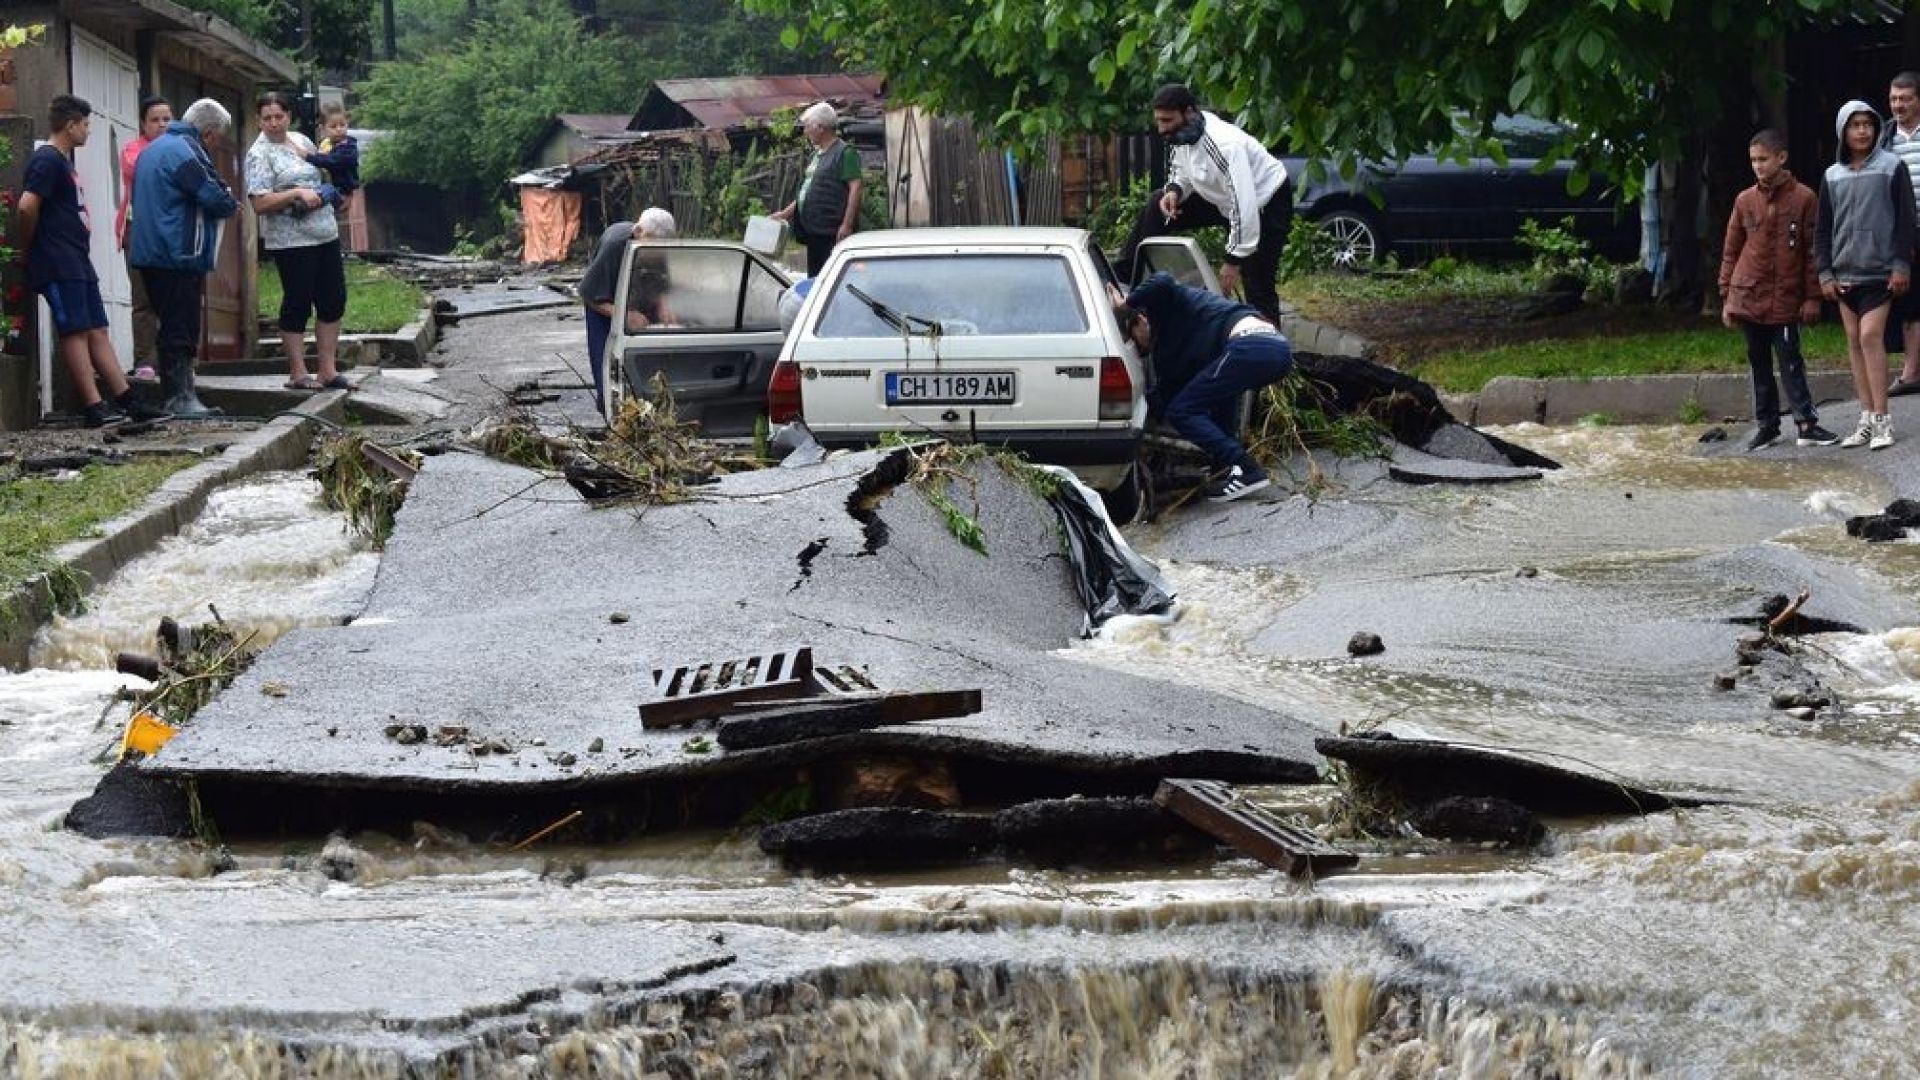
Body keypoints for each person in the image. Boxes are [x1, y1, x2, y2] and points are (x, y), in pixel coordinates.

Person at [16, 95, 170, 428]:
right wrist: (28, 249)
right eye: (85, 125)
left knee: (96, 328)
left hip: (76, 259)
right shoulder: (47, 160)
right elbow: (27, 206)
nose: (88, 131)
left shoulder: (63, 161)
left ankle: (127, 399)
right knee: (75, 330)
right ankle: (93, 405)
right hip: (58, 260)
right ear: (70, 125)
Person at [1119, 83, 1294, 324]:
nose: (1161, 129)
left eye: (1167, 121)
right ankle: (1124, 280)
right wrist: (1175, 190)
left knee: (1257, 283)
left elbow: (1244, 205)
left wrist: (1233, 260)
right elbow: (1180, 168)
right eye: (1158, 121)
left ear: (1189, 112)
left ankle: (1270, 350)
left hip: (1264, 201)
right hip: (1221, 197)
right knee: (1157, 204)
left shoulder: (1224, 145)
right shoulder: (1185, 133)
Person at [1115, 271, 1294, 502]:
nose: (1137, 349)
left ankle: (1248, 469)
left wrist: (1124, 304)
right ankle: (1225, 469)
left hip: (1253, 343)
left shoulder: (1168, 304)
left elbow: (1163, 280)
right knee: (1217, 399)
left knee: (1182, 412)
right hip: (1274, 346)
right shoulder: (1169, 351)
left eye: (1131, 338)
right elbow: (1167, 393)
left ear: (1140, 320)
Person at [1718, 130, 1837, 451]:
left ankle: (1806, 424)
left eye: (1763, 159)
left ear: (1781, 158)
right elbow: (1731, 249)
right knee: (1758, 362)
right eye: (1753, 160)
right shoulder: (1745, 200)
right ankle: (1767, 425)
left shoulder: (1804, 198)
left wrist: (1812, 296)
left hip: (1785, 298)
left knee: (1790, 360)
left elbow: (1813, 252)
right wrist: (1727, 295)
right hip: (1748, 295)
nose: (1758, 166)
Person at [130, 97, 241, 419]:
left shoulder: (154, 149)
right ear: (208, 133)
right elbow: (211, 194)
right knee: (181, 326)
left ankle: (178, 394)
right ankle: (180, 398)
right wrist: (228, 202)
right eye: (216, 138)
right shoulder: (185, 150)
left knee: (170, 323)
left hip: (151, 250)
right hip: (177, 251)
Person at [1816, 100, 1915, 450]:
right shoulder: (1832, 175)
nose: (1862, 131)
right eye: (1854, 125)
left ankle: (1883, 421)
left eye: (1868, 124)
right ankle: (1865, 418)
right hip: (1844, 274)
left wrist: (1901, 265)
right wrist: (1825, 273)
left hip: (1880, 270)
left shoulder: (1892, 167)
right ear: (1843, 130)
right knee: (1855, 342)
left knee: (1871, 336)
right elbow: (1823, 228)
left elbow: (1906, 219)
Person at [244, 90, 349, 392]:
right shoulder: (259, 153)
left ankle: (327, 369)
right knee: (298, 302)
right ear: (258, 120)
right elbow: (260, 203)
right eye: (267, 118)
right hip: (291, 240)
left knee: (333, 299)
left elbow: (321, 177)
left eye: (279, 116)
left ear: (289, 117)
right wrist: (294, 194)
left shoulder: (303, 141)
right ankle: (297, 371)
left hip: (324, 232)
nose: (274, 123)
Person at [578, 206, 676, 411]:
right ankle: (609, 413)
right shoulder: (614, 246)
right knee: (608, 370)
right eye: (656, 246)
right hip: (604, 304)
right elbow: (588, 295)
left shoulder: (656, 242)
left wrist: (664, 304)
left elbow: (663, 281)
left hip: (638, 296)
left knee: (646, 368)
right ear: (639, 232)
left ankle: (645, 408)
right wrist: (624, 315)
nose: (658, 252)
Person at [770, 102, 863, 276]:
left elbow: (856, 188)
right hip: (814, 232)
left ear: (820, 127)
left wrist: (847, 224)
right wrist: (784, 214)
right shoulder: (816, 155)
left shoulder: (845, 153)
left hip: (831, 232)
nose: (805, 132)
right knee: (815, 278)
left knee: (831, 278)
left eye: (807, 127)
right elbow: (806, 193)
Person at [116, 94, 170, 379]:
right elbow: (143, 171)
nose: (162, 125)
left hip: (172, 232)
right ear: (143, 124)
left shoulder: (182, 148)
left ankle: (175, 358)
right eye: (155, 120)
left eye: (167, 120)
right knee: (144, 299)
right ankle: (145, 361)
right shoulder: (132, 151)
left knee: (174, 298)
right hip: (139, 231)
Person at [1883, 72, 1920, 396]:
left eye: (1905, 98)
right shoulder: (1885, 137)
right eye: (1894, 99)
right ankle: (1911, 372)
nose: (1898, 105)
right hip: (1904, 230)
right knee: (1909, 302)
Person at [303, 102, 360, 207]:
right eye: (333, 126)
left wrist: (308, 156)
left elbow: (332, 161)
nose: (339, 129)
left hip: (341, 191)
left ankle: (306, 205)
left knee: (329, 190)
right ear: (323, 128)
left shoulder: (349, 146)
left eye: (342, 125)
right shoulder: (325, 143)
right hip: (324, 184)